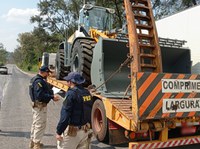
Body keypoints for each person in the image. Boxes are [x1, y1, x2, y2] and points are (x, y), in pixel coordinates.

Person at [56, 72, 93, 149]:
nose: (67, 82)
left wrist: (59, 132)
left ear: (71, 82)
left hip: (72, 132)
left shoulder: (71, 94)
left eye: (67, 81)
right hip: (85, 130)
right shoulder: (87, 93)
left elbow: (65, 115)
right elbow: (89, 111)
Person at [29, 65, 60, 149]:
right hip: (40, 106)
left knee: (35, 124)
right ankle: (36, 144)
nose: (48, 74)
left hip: (36, 105)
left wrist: (50, 91)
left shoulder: (35, 79)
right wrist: (52, 97)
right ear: (44, 72)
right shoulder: (39, 81)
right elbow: (40, 95)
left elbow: (41, 91)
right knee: (40, 125)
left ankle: (33, 142)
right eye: (47, 73)